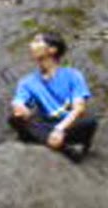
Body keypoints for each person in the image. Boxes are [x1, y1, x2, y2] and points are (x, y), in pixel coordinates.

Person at [9, 32, 98, 161]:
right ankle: (65, 149)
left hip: (69, 126)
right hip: (46, 126)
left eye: (37, 41)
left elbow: (79, 108)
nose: (31, 45)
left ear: (52, 49)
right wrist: (20, 108)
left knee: (90, 121)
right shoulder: (27, 82)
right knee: (15, 119)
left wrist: (59, 129)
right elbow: (18, 102)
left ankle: (48, 140)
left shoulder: (73, 75)